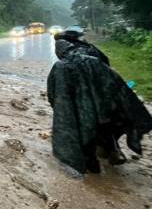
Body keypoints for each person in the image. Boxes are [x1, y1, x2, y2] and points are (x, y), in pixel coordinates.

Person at [46, 29, 152, 174]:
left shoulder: (61, 66)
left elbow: (54, 93)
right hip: (104, 101)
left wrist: (63, 110)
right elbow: (110, 72)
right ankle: (113, 150)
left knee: (86, 131)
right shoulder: (93, 53)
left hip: (83, 105)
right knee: (106, 125)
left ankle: (93, 167)